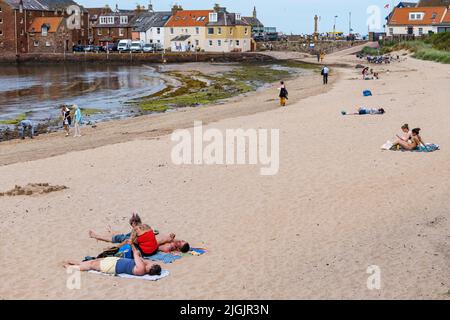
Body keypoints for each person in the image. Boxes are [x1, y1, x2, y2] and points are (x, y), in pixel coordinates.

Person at [63, 242, 162, 277]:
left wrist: (132, 245)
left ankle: (70, 267)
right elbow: (140, 258)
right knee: (93, 261)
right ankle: (75, 263)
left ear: (151, 268)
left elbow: (136, 254)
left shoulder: (141, 268)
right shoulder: (143, 267)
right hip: (115, 262)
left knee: (91, 265)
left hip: (113, 266)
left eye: (152, 264)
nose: (151, 263)